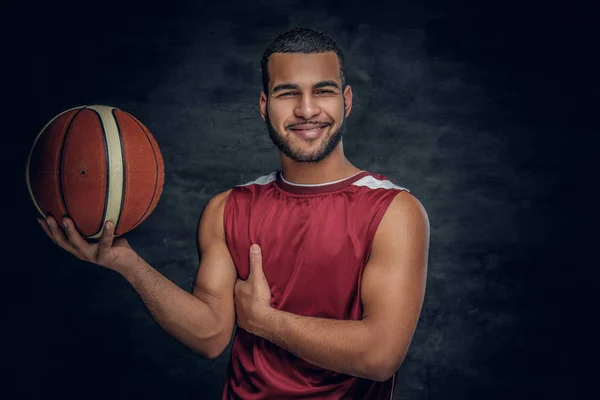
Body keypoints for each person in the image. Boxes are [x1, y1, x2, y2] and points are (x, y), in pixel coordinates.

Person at [38, 27, 430, 399]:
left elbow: (380, 356)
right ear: (264, 106)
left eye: (322, 92)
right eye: (287, 93)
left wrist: (265, 320)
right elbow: (210, 335)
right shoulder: (228, 208)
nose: (306, 109)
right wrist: (127, 263)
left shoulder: (394, 212)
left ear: (346, 101)